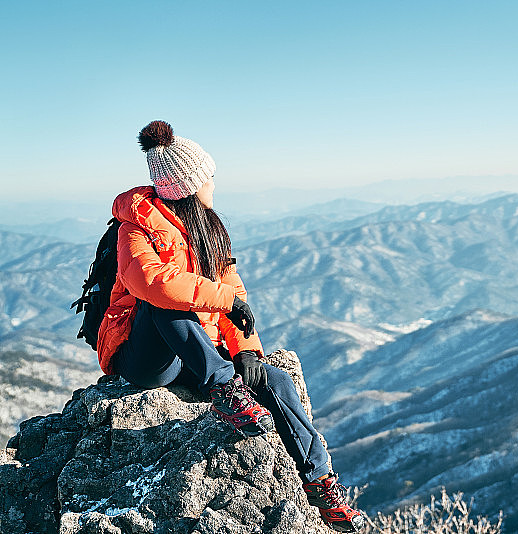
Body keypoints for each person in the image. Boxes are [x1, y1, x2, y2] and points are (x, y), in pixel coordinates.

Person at [96, 120, 366, 533]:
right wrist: (225, 304)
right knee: (164, 304)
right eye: (209, 178)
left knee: (274, 380)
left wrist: (245, 350)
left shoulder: (209, 229)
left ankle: (321, 484)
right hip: (144, 355)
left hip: (193, 345)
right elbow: (152, 283)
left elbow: (230, 290)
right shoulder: (134, 228)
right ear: (188, 183)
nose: (214, 186)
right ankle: (223, 389)